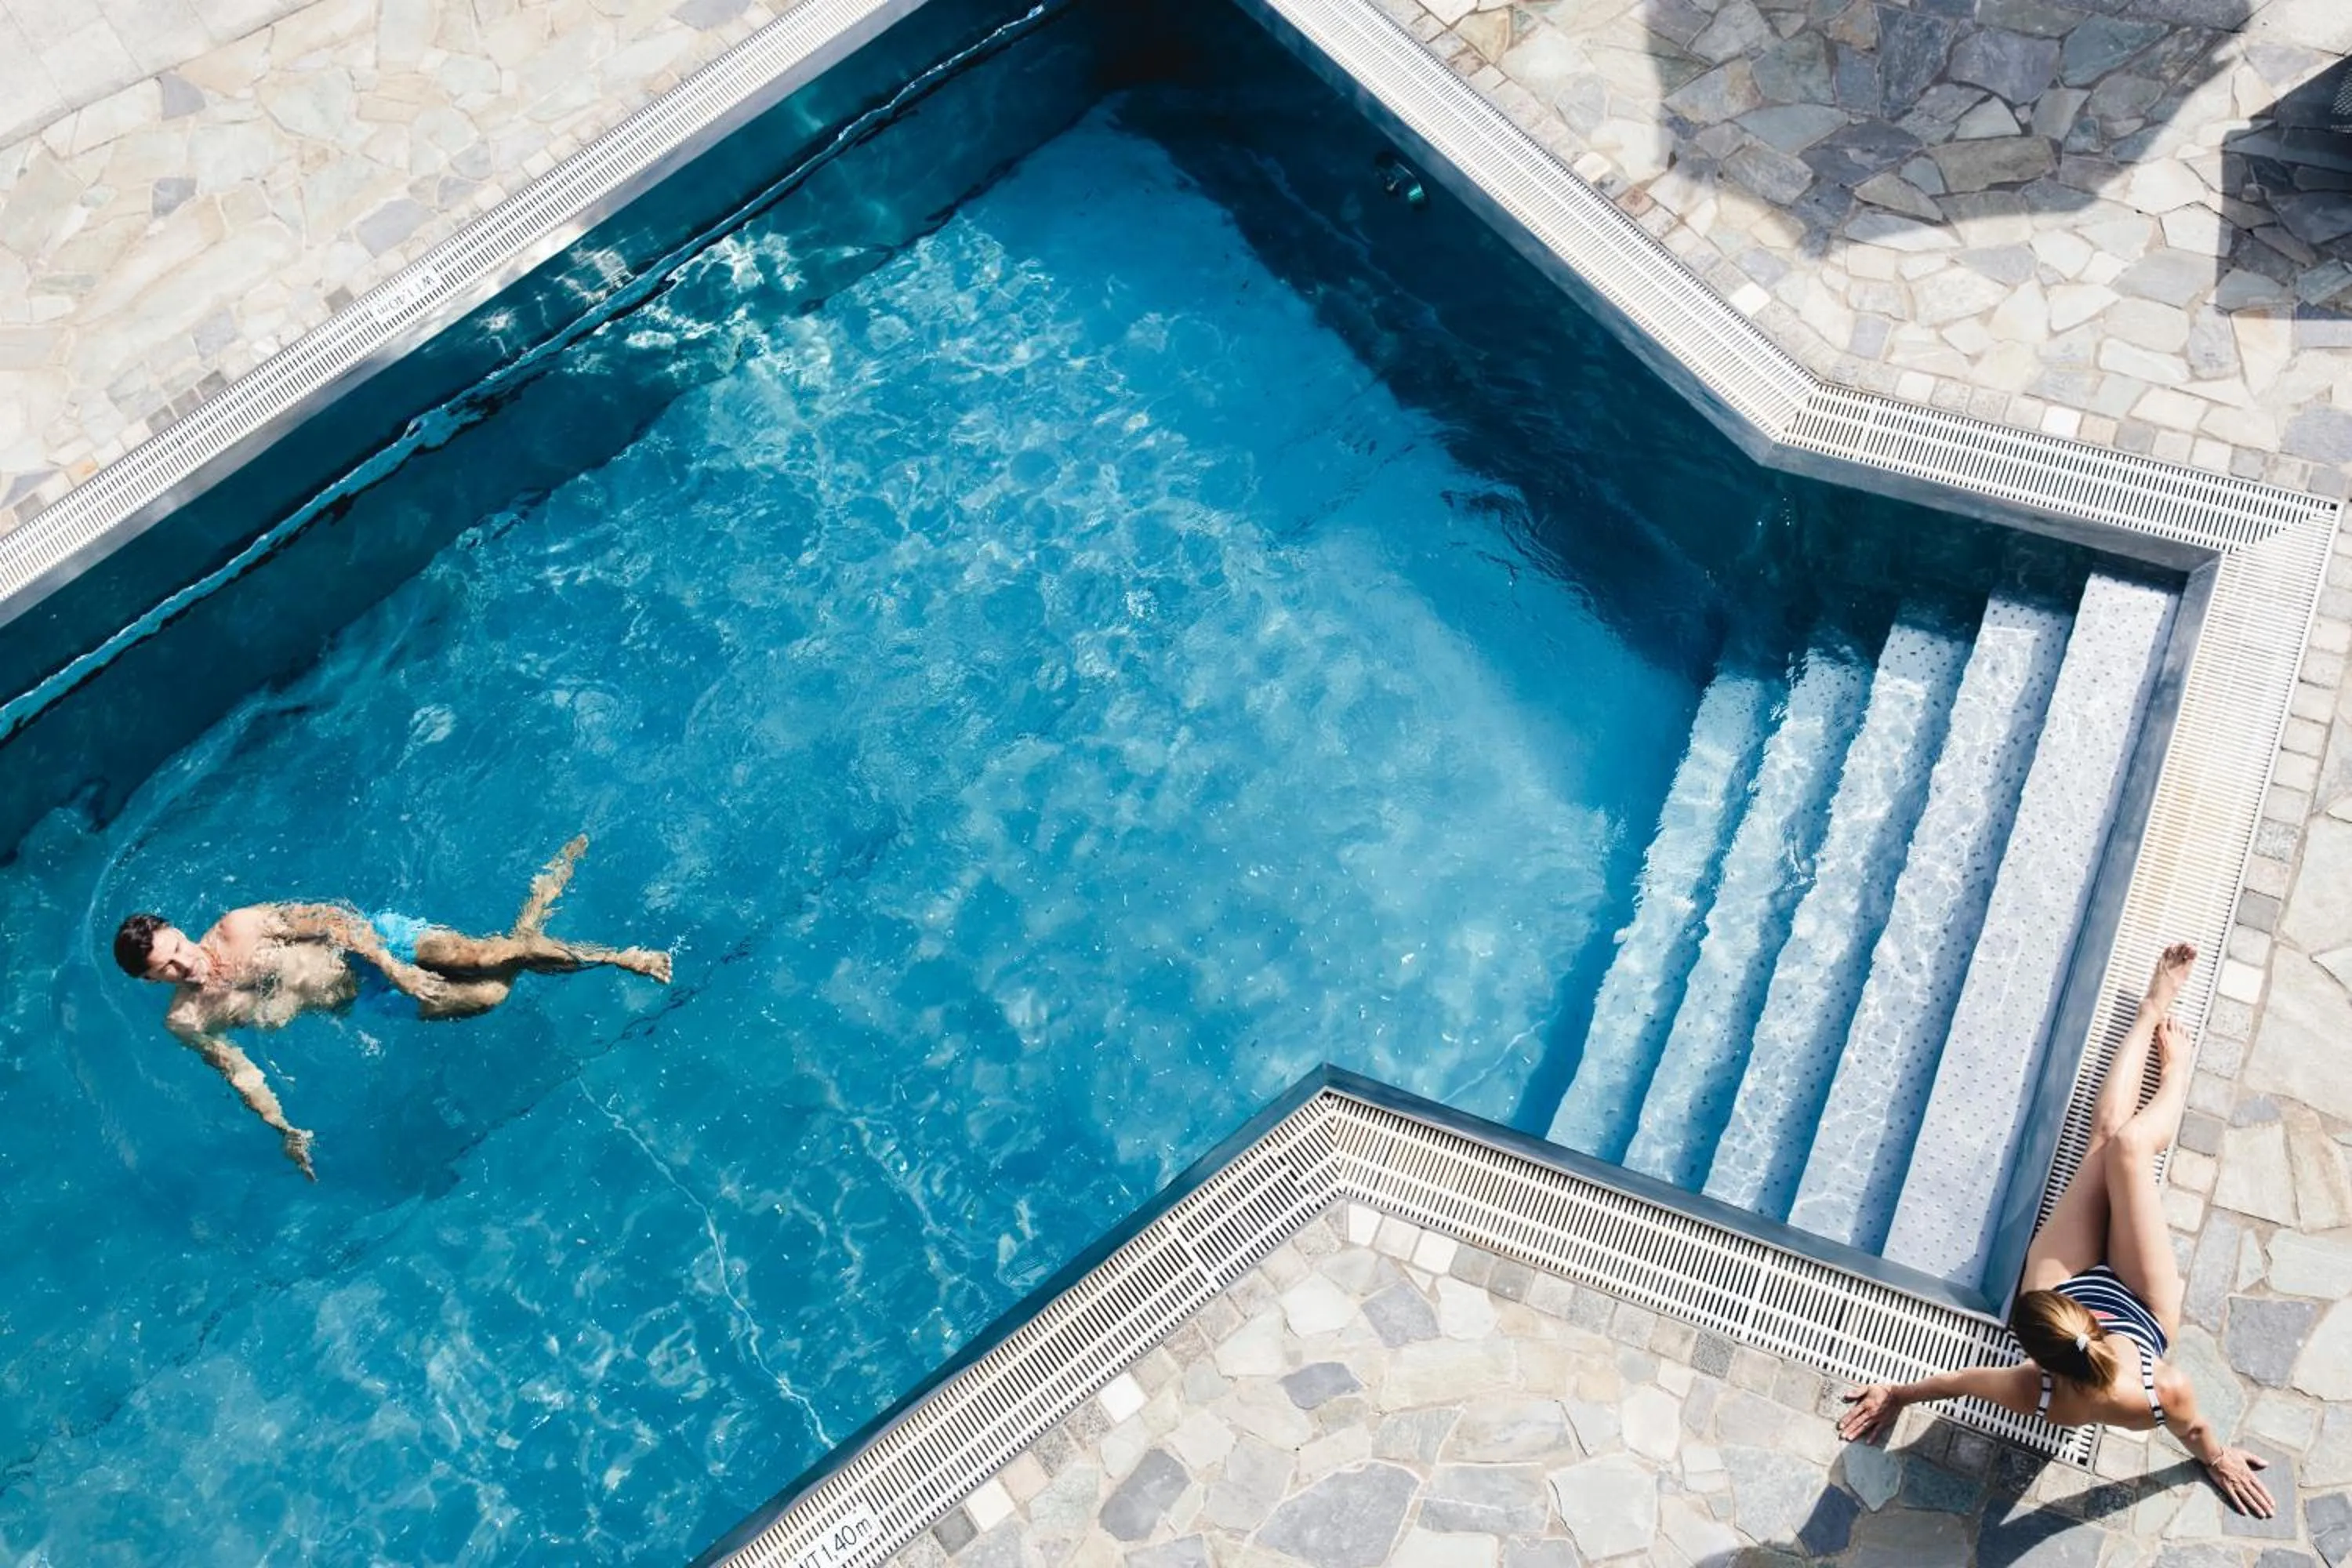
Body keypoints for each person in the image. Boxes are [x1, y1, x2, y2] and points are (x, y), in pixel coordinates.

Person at [1835, 942, 2274, 1517]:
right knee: (2129, 1147)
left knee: (2105, 1138)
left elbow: (1960, 1382)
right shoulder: (2158, 1392)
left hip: (2072, 1288)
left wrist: (1897, 1394)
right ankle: (2177, 1070)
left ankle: (2150, 1009)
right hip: (2144, 1305)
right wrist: (2220, 1459)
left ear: (2039, 1353)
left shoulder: (2034, 1390)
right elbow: (2196, 1435)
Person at [114, 837, 670, 1181]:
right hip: (367, 998)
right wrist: (283, 1127)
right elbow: (238, 1069)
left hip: (381, 946)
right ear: (147, 979)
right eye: (166, 968)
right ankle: (536, 913)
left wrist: (396, 964)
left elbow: (335, 920)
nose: (185, 964)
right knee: (492, 993)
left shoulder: (240, 926)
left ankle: (620, 957)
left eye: (179, 947)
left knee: (482, 954)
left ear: (180, 930)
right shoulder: (187, 1020)